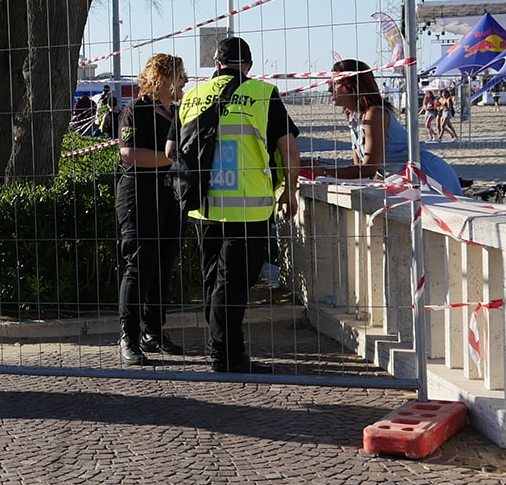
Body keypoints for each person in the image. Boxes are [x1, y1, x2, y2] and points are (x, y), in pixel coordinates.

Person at [166, 37, 300, 373]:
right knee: (234, 284)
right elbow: (289, 150)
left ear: (216, 64)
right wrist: (290, 191)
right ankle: (225, 357)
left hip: (203, 206)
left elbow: (171, 151)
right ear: (249, 66)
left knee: (215, 281)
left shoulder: (193, 96)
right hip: (248, 208)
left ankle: (225, 350)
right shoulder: (263, 94)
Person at [116, 53, 188, 365]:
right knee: (139, 265)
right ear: (162, 78)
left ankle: (154, 331)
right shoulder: (137, 110)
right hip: (138, 197)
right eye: (180, 75)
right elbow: (130, 154)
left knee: (163, 265)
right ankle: (128, 337)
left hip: (170, 197)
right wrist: (173, 158)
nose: (185, 81)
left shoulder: (180, 112)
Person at [306, 58, 463, 194]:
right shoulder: (354, 117)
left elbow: (368, 169)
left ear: (353, 84)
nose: (329, 89)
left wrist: (323, 171)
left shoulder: (375, 114)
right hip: (406, 179)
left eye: (335, 83)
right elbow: (360, 170)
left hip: (428, 176)